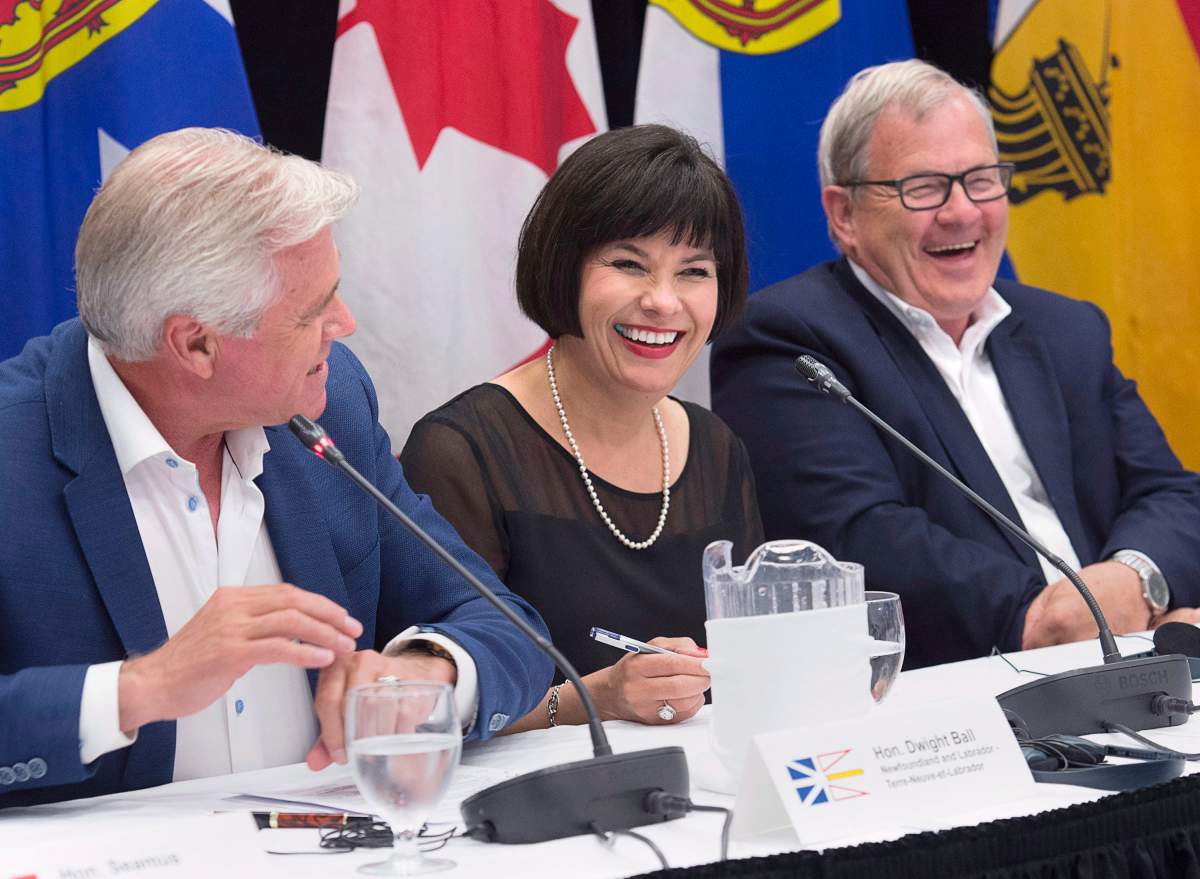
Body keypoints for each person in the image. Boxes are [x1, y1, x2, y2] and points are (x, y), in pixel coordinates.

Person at [0, 128, 553, 807]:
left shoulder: (328, 402)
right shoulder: (13, 452)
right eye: (314, 312)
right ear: (195, 343)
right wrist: (141, 688)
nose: (344, 325)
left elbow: (501, 622)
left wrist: (423, 671)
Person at [710, 60, 1200, 668]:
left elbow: (1173, 493)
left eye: (981, 180)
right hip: (969, 697)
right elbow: (857, 541)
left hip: (1137, 661)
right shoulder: (788, 339)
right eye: (923, 187)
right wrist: (1048, 614)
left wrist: (1137, 579)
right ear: (845, 216)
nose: (962, 211)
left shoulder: (1066, 328)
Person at [400, 125, 763, 730]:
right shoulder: (460, 451)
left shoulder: (717, 448)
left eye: (694, 271)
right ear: (562, 268)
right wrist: (599, 698)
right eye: (629, 265)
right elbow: (423, 706)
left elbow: (751, 666)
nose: (664, 302)